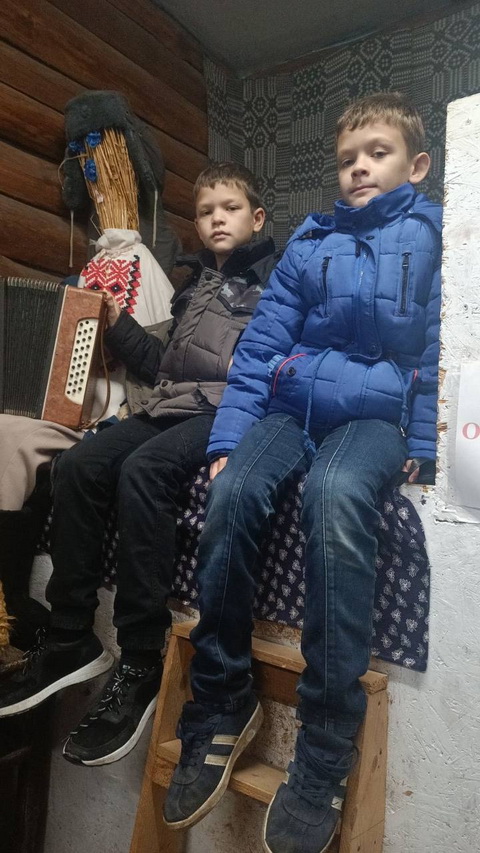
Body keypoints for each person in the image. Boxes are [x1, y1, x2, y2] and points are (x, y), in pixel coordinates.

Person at [163, 93, 442, 853]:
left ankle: (325, 739)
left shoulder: (435, 235)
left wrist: (424, 446)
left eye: (378, 153)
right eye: (348, 158)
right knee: (230, 490)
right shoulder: (311, 241)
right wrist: (229, 438)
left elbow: (437, 346)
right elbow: (260, 349)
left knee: (334, 491)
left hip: (373, 418)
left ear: (416, 165)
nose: (360, 168)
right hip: (293, 407)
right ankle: (221, 699)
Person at [0, 162, 278, 769]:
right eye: (206, 212)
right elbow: (160, 366)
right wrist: (117, 321)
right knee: (78, 466)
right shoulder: (191, 288)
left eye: (230, 208)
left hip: (224, 411)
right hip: (170, 405)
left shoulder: (276, 286)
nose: (217, 219)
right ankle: (70, 636)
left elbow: (259, 370)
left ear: (257, 218)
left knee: (144, 471)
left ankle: (141, 657)